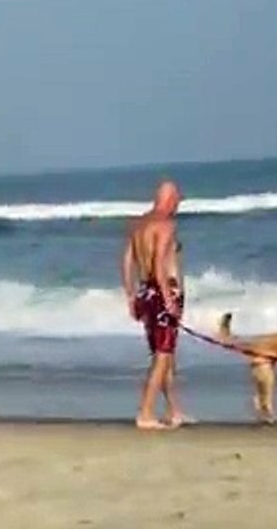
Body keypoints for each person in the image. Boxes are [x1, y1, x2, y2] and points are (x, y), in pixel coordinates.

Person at [121, 180, 191, 429]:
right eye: (177, 201)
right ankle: (146, 412)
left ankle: (174, 411)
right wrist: (169, 299)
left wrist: (131, 295)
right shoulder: (165, 225)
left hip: (146, 293)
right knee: (163, 355)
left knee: (164, 354)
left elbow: (127, 261)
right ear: (170, 199)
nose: (178, 206)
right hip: (162, 292)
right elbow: (160, 263)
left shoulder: (138, 224)